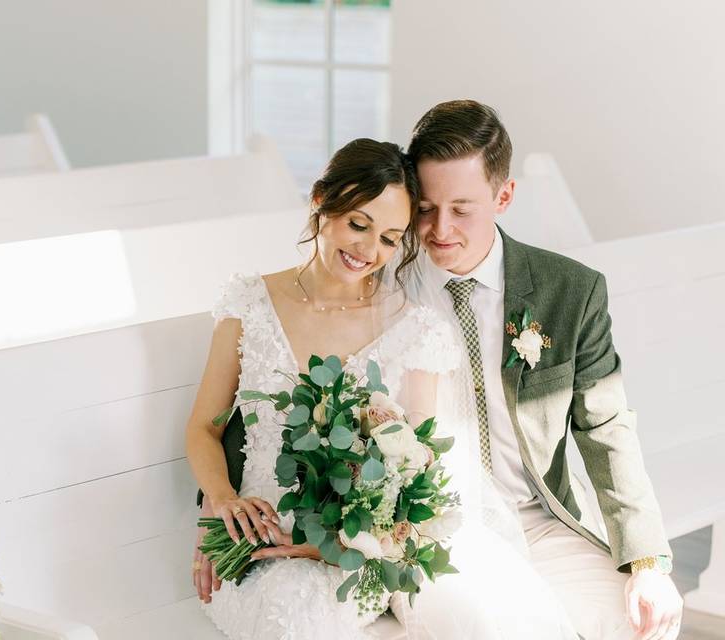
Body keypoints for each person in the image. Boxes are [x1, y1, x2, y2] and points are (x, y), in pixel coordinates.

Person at [202, 100, 686, 640]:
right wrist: (217, 523)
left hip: (537, 517)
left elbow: (607, 430)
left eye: (461, 208)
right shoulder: (376, 282)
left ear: (503, 197)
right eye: (426, 209)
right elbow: (264, 404)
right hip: (425, 526)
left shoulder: (568, 290)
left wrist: (647, 562)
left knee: (642, 620)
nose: (438, 230)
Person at [185, 139, 458, 639]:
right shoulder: (250, 302)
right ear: (320, 201)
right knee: (283, 613)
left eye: (390, 239)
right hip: (255, 541)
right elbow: (205, 427)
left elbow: (417, 470)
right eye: (358, 224)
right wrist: (220, 504)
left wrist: (339, 544)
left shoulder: (414, 331)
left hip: (355, 550)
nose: (368, 251)